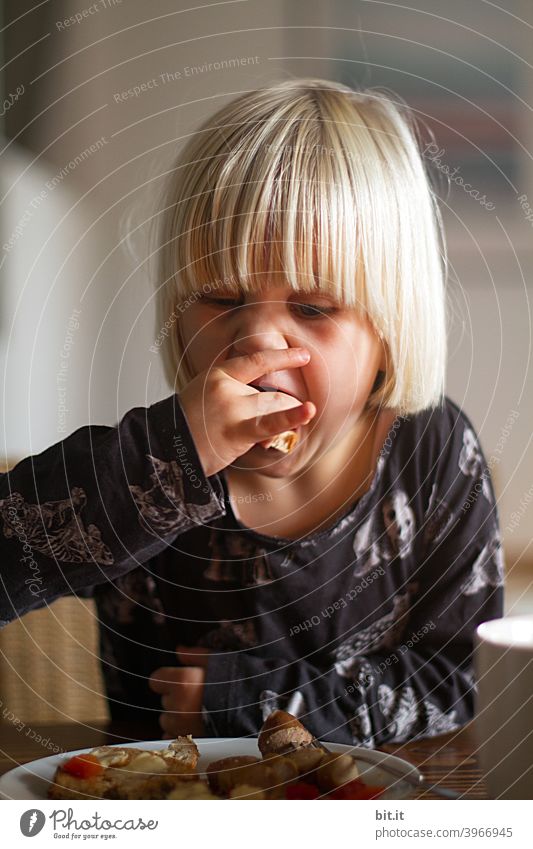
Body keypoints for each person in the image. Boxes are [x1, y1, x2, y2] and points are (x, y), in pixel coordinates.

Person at [0, 79, 503, 746]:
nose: (259, 345)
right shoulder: (142, 468)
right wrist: (173, 454)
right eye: (222, 298)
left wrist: (256, 703)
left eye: (313, 308)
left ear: (389, 329)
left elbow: (460, 682)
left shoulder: (431, 454)